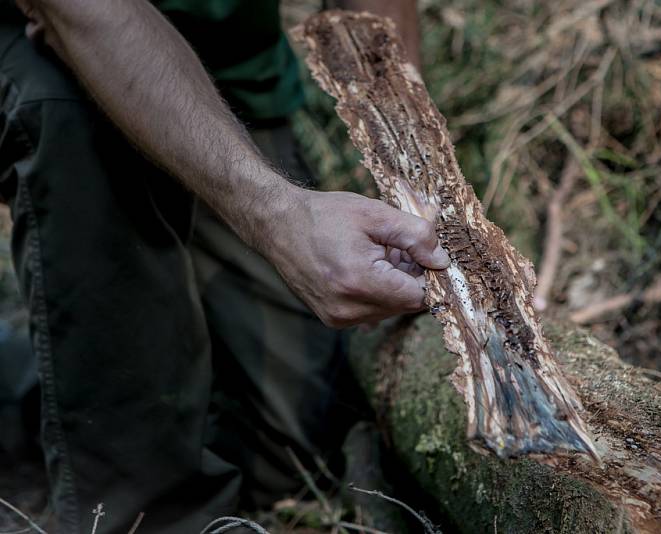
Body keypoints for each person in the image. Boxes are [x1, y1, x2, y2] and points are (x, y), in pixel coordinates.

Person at [0, 0, 448, 532]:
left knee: (297, 450)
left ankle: (106, 379)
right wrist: (281, 218)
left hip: (223, 69)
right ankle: (154, 514)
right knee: (67, 115)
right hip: (54, 49)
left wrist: (415, 188)